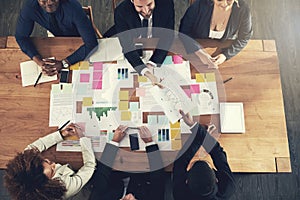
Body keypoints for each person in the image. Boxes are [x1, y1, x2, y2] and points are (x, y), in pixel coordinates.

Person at [4, 123, 96, 200]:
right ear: (49, 183)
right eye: (52, 171)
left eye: (44, 161)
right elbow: (90, 166)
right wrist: (84, 139)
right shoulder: (66, 188)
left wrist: (61, 134)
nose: (53, 164)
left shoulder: (27, 165)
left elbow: (36, 147)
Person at [15, 0, 98, 76]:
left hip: (79, 38)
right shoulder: (29, 7)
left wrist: (63, 63)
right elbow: (21, 37)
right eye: (43, 0)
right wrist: (40, 61)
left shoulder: (73, 7)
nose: (49, 3)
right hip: (56, 38)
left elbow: (91, 42)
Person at [89, 125, 165, 200]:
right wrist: (150, 143)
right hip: (142, 171)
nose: (129, 197)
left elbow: (102, 173)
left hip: (117, 173)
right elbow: (158, 177)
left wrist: (114, 141)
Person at [172, 110, 236, 200]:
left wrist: (200, 133)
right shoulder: (226, 187)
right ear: (216, 180)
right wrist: (202, 135)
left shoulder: (180, 194)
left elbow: (181, 160)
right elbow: (218, 153)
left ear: (186, 181)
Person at [113, 0, 175, 84]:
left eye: (149, 4)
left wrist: (152, 63)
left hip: (155, 40)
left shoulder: (166, 4)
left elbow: (167, 37)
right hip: (135, 39)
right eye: (139, 7)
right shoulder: (121, 12)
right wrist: (145, 71)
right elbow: (128, 47)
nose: (146, 11)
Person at [179, 0, 252, 66]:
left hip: (223, 48)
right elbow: (183, 33)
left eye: (229, 0)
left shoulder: (243, 9)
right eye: (219, 0)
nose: (224, 4)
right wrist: (198, 52)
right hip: (194, 46)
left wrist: (225, 55)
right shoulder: (198, 5)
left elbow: (245, 37)